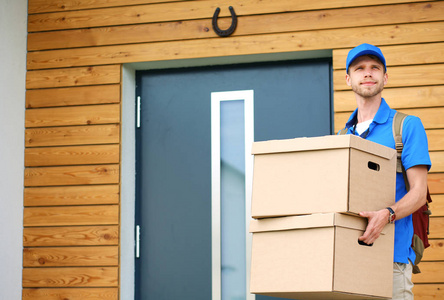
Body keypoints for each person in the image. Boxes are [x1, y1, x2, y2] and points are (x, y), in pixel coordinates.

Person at [340, 43, 431, 299]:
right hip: (346, 261)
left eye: (375, 68)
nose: (367, 73)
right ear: (349, 79)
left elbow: (419, 193)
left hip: (390, 260)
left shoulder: (406, 126)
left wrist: (387, 215)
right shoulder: (341, 136)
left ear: (385, 77)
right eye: (359, 68)